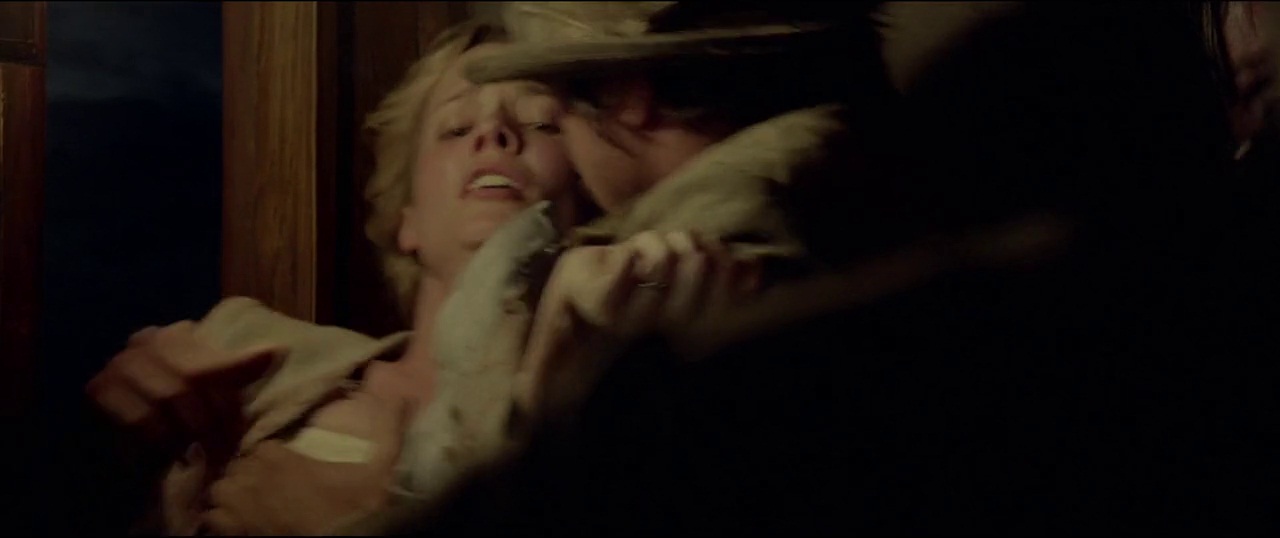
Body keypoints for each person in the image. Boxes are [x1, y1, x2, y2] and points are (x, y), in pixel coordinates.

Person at [376, 1, 1279, 535]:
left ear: (629, 96)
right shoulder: (889, 171)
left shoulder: (700, 259)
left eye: (557, 116)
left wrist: (549, 393)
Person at [86, 20, 589, 535]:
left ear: (588, 191)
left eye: (541, 122)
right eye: (456, 128)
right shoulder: (248, 354)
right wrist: (114, 449)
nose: (494, 132)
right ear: (407, 219)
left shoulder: (595, 433)